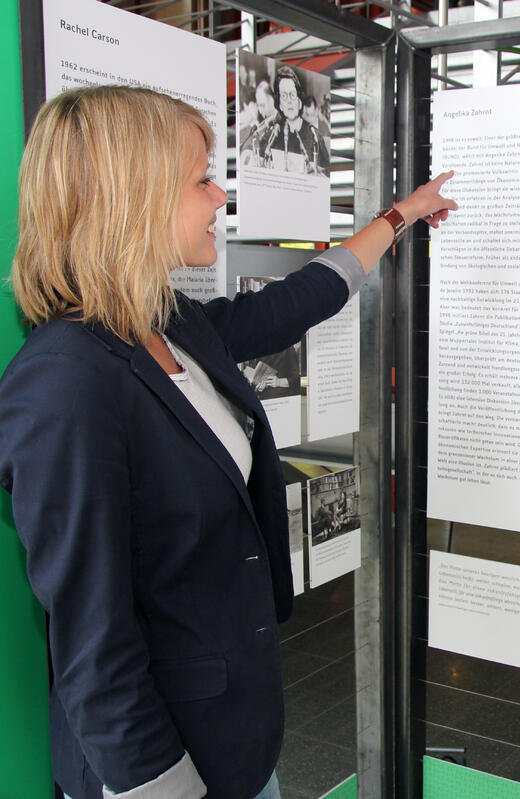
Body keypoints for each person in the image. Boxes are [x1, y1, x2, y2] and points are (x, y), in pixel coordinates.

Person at [0, 85, 457, 799]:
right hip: (161, 770)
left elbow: (294, 303)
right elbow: (94, 645)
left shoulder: (167, 322)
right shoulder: (64, 382)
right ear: (133, 197)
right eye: (200, 180)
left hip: (232, 739)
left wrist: (401, 216)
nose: (218, 198)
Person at [257, 65, 329, 175]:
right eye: (284, 96)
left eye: (292, 94)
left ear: (300, 100)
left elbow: (326, 173)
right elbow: (256, 160)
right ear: (280, 105)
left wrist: (316, 171)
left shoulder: (313, 135)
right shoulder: (272, 133)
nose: (289, 101)